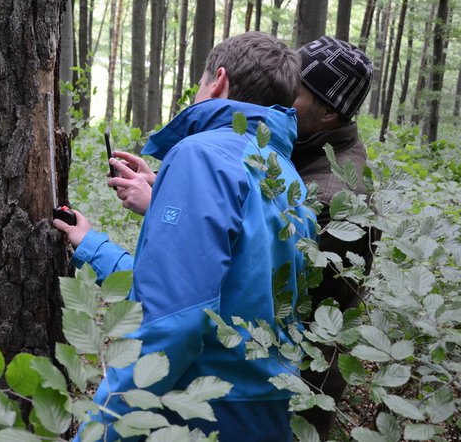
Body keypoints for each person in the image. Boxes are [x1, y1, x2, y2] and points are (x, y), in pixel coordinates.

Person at [53, 31, 317, 441]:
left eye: (200, 82)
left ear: (219, 81)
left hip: (204, 413)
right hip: (270, 408)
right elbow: (230, 289)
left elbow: (172, 320)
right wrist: (94, 246)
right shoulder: (286, 175)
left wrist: (103, 425)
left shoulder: (202, 156)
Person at [291, 36, 377, 441]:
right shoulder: (309, 149)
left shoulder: (332, 194)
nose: (281, 92)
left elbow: (284, 289)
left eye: (295, 88)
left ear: (328, 112)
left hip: (299, 380)